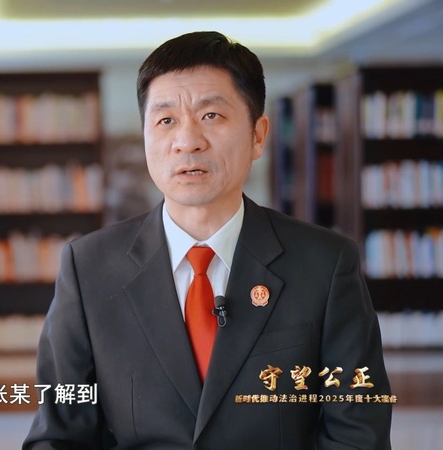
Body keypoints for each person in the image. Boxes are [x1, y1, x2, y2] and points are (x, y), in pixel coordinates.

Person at [23, 31, 392, 449]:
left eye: (211, 115)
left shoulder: (325, 264)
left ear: (258, 135)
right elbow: (58, 435)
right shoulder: (89, 268)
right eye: (166, 120)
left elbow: (358, 434)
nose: (187, 141)